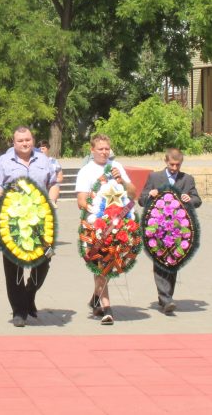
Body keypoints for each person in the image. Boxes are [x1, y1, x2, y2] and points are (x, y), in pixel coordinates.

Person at [0, 127, 60, 327]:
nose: (25, 143)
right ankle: (18, 311)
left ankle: (29, 294)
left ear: (33, 140)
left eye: (28, 139)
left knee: (44, 260)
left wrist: (51, 199)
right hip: (12, 221)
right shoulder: (3, 161)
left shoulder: (44, 160)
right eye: (20, 140)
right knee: (14, 267)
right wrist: (11, 201)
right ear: (14, 142)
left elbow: (54, 183)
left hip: (40, 219)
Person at [75, 133, 137, 326]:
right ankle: (107, 308)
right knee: (101, 264)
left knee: (112, 263)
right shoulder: (86, 171)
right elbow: (81, 201)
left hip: (120, 223)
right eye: (100, 149)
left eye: (106, 149)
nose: (104, 152)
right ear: (92, 150)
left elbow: (133, 193)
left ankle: (96, 297)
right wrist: (96, 213)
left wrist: (122, 182)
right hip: (97, 224)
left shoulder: (117, 167)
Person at [138, 148, 201, 315]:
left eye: (178, 165)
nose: (174, 168)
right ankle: (166, 299)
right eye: (172, 164)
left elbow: (197, 199)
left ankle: (166, 297)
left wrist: (190, 199)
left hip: (180, 231)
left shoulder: (187, 179)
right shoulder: (154, 177)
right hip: (157, 230)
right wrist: (149, 195)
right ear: (166, 161)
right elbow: (141, 200)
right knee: (159, 262)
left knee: (173, 263)